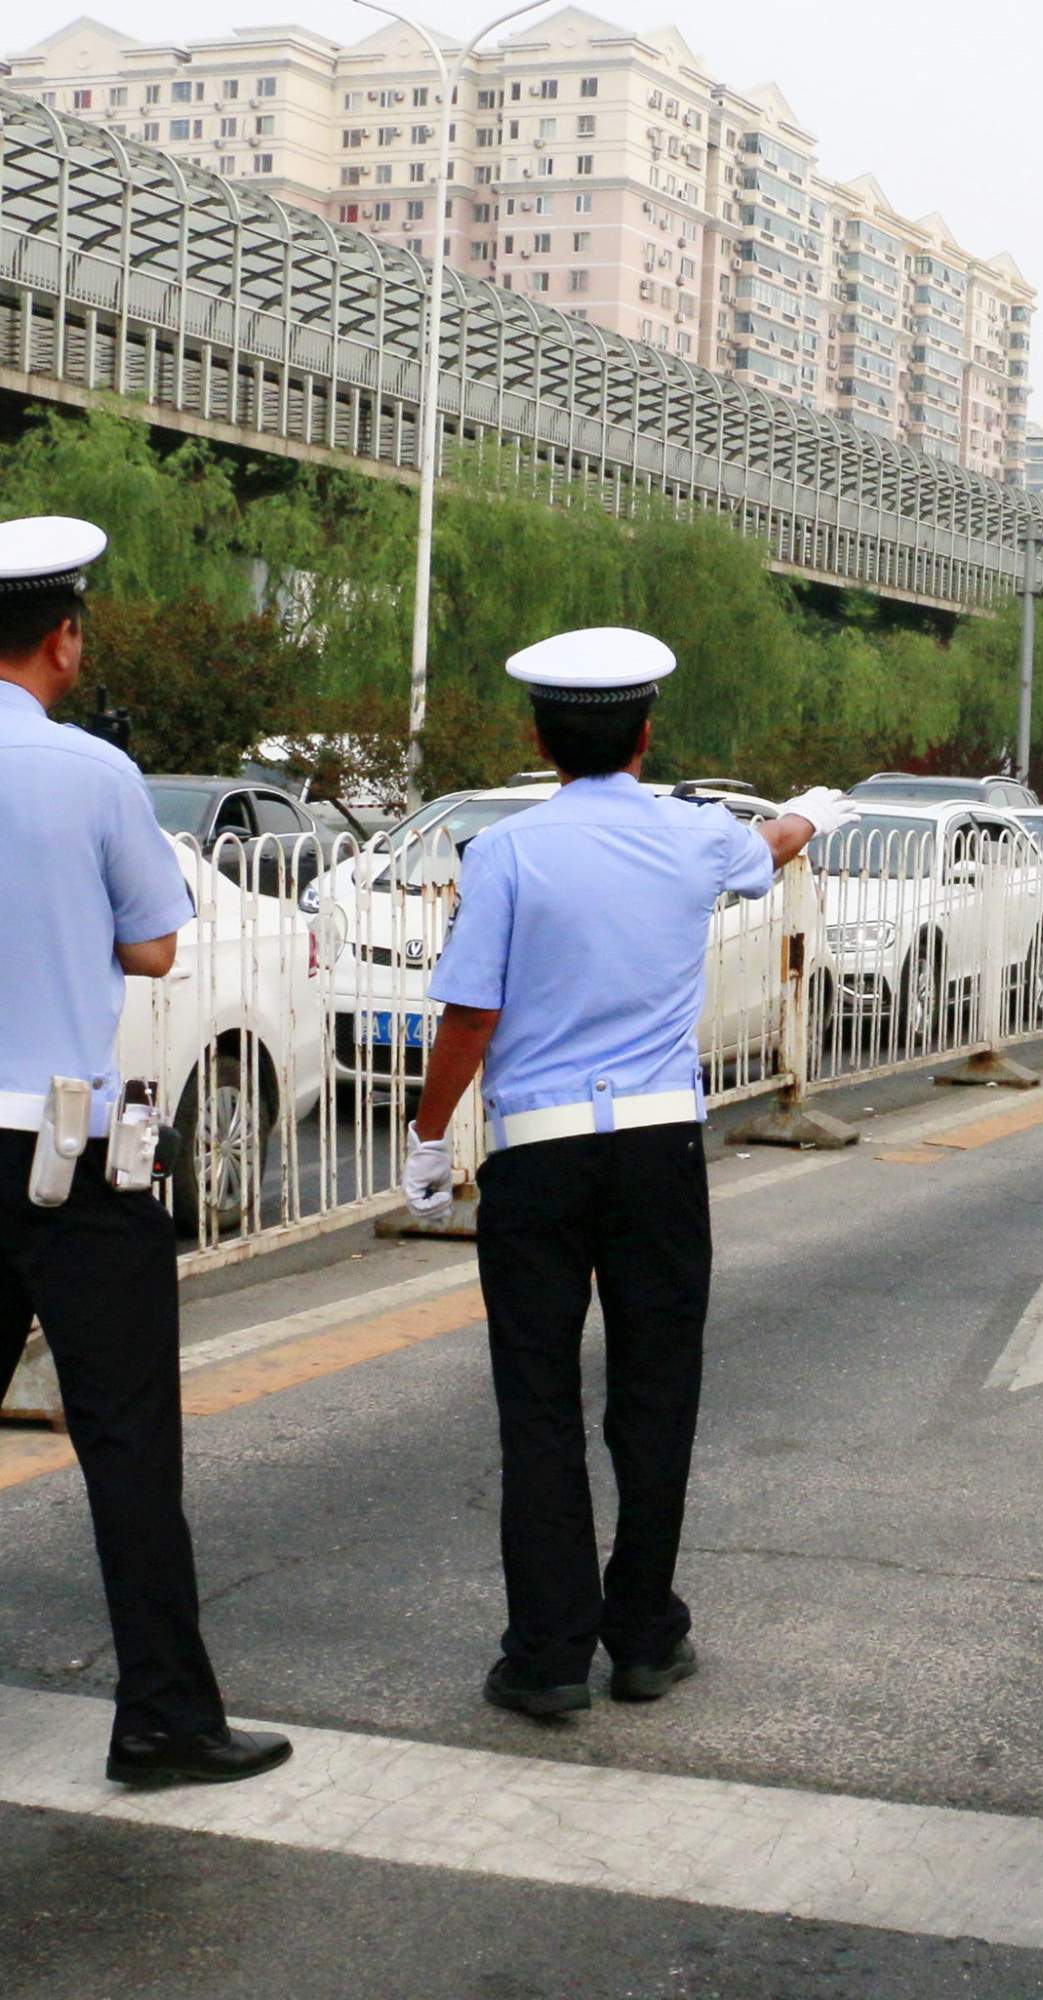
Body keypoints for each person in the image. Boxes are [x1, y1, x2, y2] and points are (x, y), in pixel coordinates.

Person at [401, 627, 859, 1714]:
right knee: (656, 1391)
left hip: (539, 1155)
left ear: (539, 738)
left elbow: (473, 1012)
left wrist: (428, 1137)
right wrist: (813, 812)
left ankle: (550, 1654)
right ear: (646, 735)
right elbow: (775, 842)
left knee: (539, 1399)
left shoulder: (505, 854)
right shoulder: (695, 838)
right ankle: (645, 1634)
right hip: (658, 1151)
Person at [0, 515, 290, 1787]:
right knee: (126, 1437)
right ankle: (164, 1716)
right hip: (57, 1152)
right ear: (64, 639)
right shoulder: (93, 774)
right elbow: (158, 946)